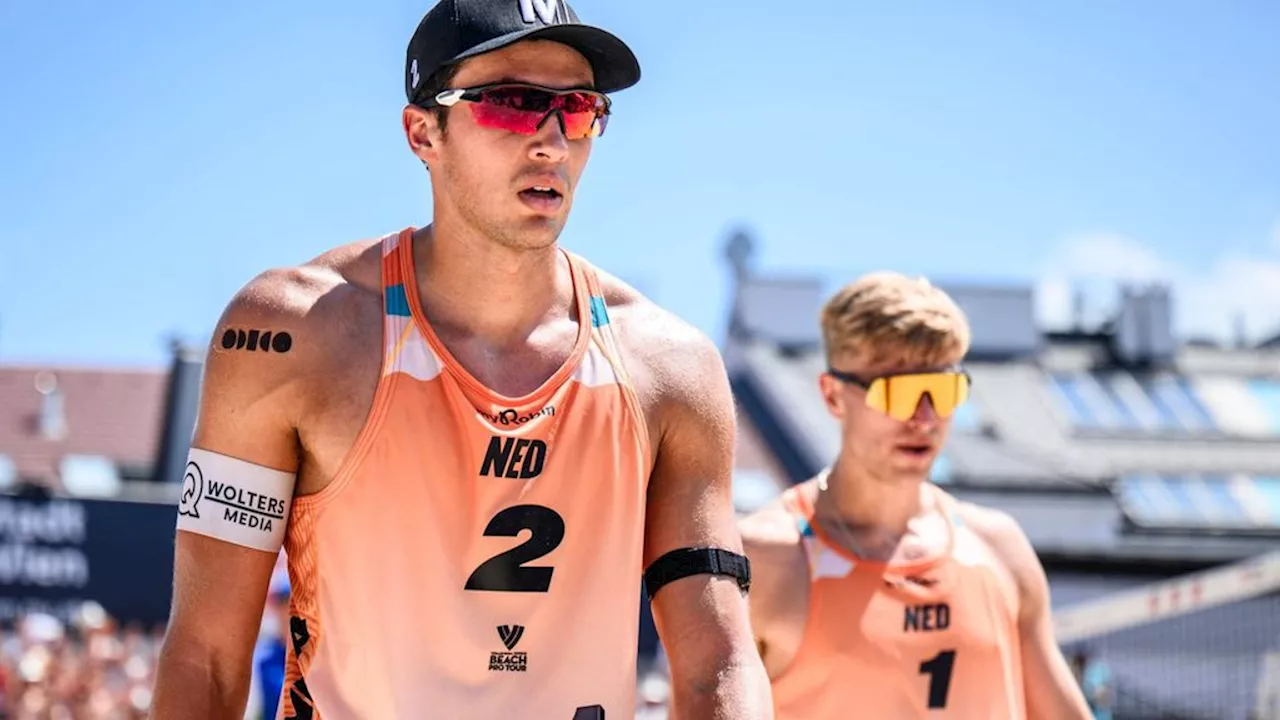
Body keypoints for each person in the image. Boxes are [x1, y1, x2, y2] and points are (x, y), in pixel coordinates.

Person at [149, 1, 770, 718]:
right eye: (511, 104)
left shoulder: (672, 368)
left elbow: (718, 664)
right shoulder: (291, 333)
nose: (551, 142)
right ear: (423, 132)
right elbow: (205, 656)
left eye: (577, 109)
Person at [738, 271, 1092, 719]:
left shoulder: (998, 549)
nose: (925, 418)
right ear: (832, 396)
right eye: (898, 393)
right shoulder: (765, 558)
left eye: (942, 391)